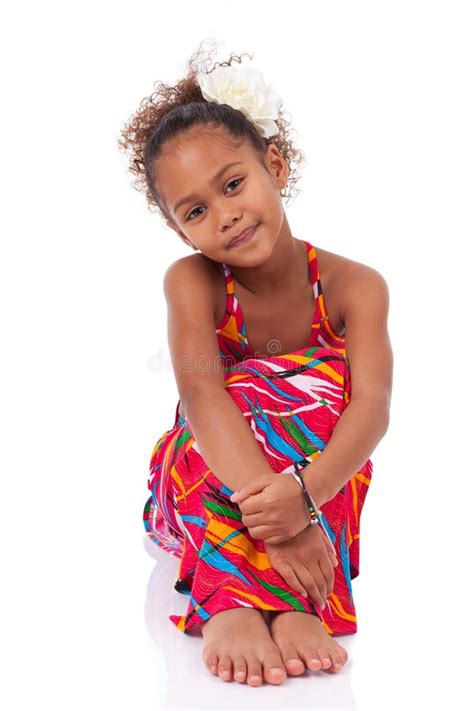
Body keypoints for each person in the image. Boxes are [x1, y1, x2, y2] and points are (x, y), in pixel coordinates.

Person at [118, 41, 393, 687]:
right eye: (196, 211)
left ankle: (291, 597)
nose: (227, 215)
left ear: (275, 164)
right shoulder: (194, 282)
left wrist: (305, 497)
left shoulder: (356, 287)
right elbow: (202, 394)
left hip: (314, 492)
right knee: (228, 393)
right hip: (207, 483)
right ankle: (231, 598)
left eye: (234, 184)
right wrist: (284, 527)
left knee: (325, 390)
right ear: (181, 232)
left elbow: (373, 408)